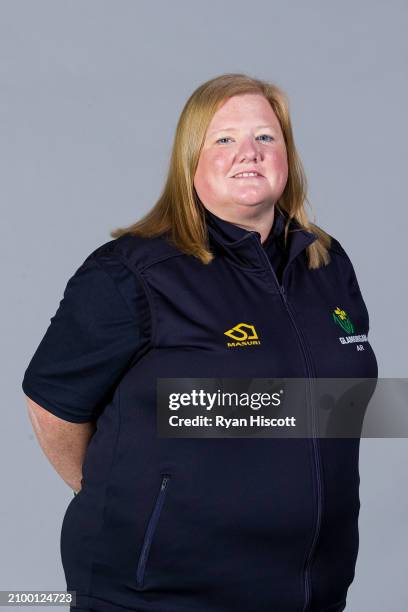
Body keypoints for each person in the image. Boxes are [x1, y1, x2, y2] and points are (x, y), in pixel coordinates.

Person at [22, 73, 378, 612]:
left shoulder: (325, 264)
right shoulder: (131, 273)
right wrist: (132, 500)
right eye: (224, 139)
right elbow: (53, 405)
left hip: (308, 589)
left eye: (266, 137)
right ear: (192, 159)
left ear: (287, 155)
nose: (249, 153)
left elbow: (337, 407)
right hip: (164, 594)